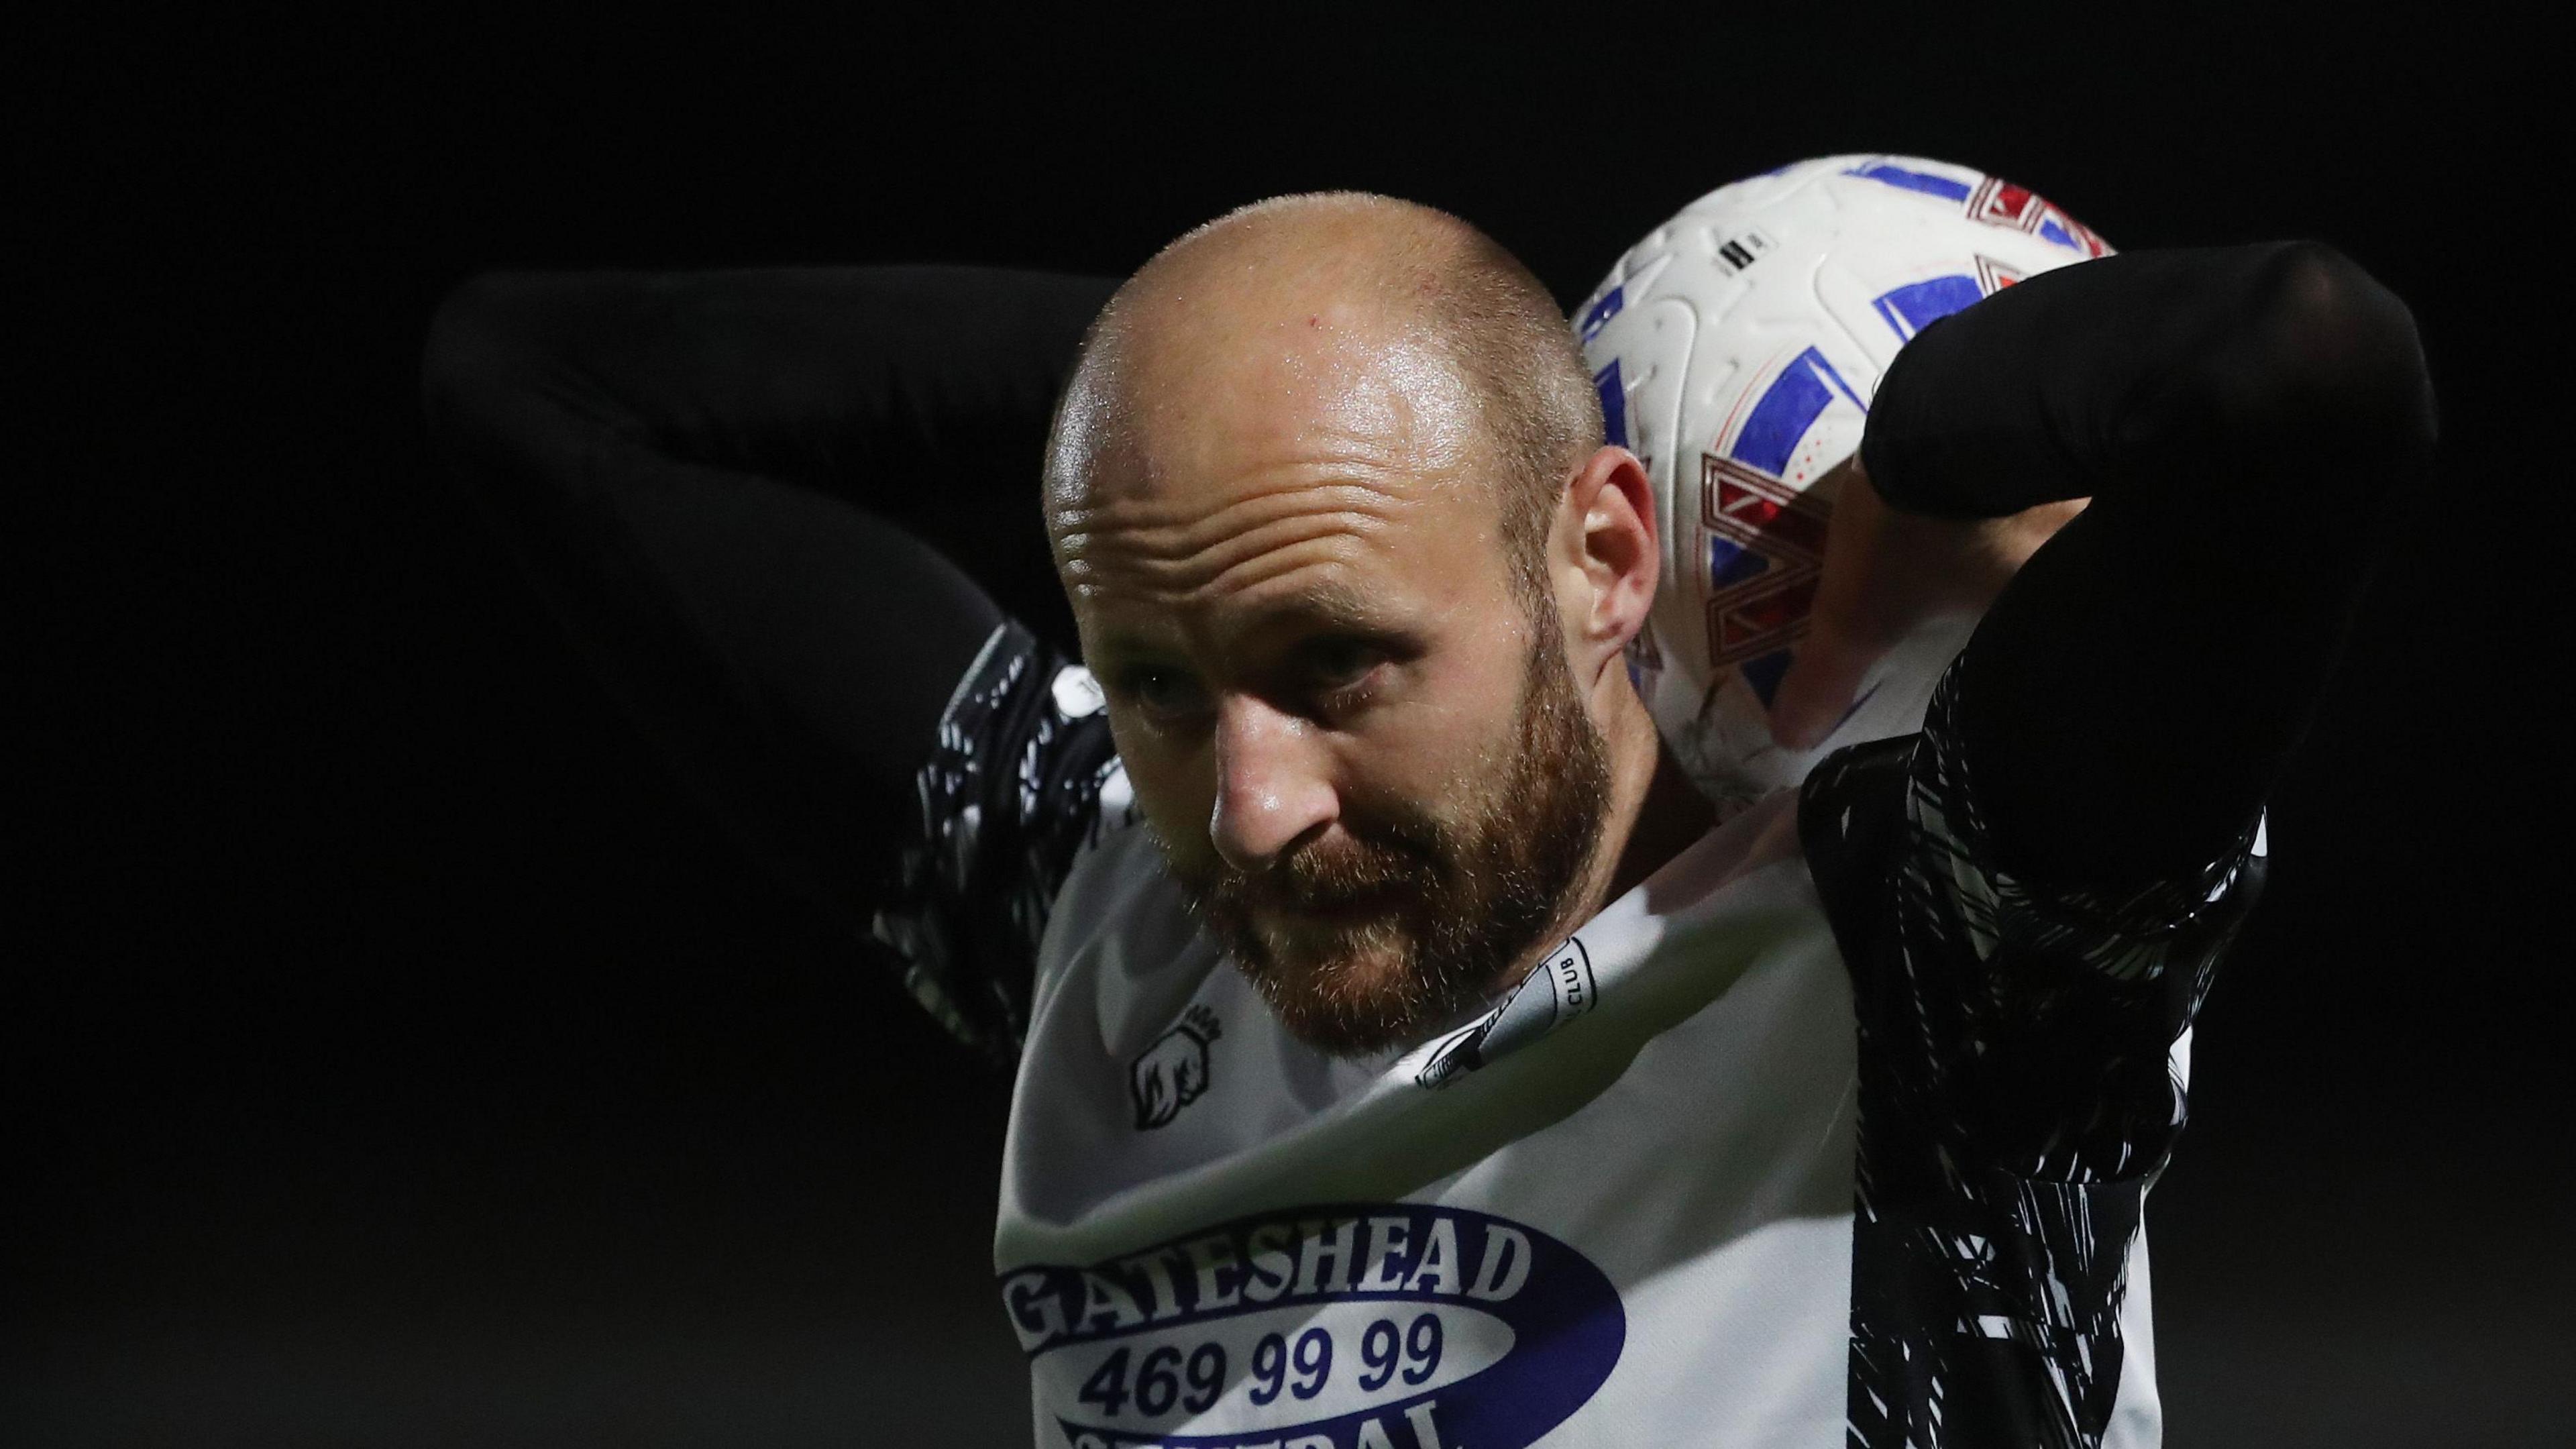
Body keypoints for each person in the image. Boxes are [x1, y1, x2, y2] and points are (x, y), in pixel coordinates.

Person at [422, 189, 2432, 1447]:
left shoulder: (1935, 968)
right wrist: (1229, 387)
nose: (1252, 811)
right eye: (1157, 683)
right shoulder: (1109, 902)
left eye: (1341, 662)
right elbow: (531, 386)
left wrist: (1896, 451)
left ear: (1603, 557)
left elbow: (2301, 361)